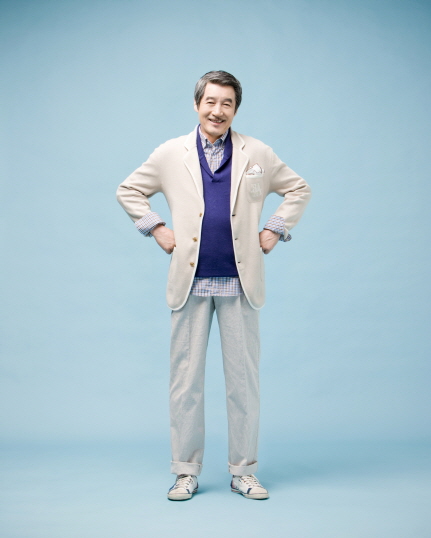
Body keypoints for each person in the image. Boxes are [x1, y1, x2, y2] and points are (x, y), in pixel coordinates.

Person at [116, 70, 311, 501]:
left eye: (227, 103)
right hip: (190, 283)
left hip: (241, 283)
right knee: (185, 383)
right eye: (211, 101)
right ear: (197, 104)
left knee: (244, 383)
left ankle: (244, 471)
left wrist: (275, 228)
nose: (217, 110)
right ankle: (186, 471)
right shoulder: (171, 153)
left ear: (235, 109)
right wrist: (156, 228)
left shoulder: (257, 152)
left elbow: (298, 189)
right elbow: (128, 190)